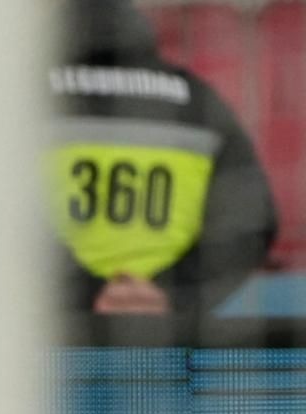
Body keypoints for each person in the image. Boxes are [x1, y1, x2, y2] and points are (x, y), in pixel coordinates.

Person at [51, 0, 277, 315]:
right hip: (164, 342)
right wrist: (170, 295)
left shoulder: (25, 98)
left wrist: (87, 294)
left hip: (49, 334)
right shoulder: (197, 101)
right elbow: (252, 221)